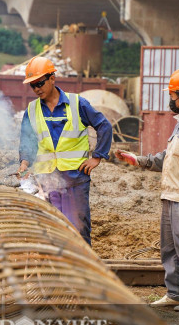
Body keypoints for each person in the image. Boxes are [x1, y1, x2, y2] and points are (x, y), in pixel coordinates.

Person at [115, 68, 179, 313]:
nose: (170, 100)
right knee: (169, 248)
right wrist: (139, 160)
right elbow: (166, 158)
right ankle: (175, 293)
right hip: (170, 196)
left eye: (172, 95)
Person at [17, 57, 113, 245]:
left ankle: (81, 271)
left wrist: (98, 157)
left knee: (78, 228)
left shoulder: (77, 104)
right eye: (32, 85)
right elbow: (27, 141)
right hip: (47, 180)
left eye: (40, 83)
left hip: (75, 179)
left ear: (52, 78)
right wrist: (24, 163)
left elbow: (104, 126)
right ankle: (53, 271)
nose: (37, 89)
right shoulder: (32, 109)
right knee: (51, 229)